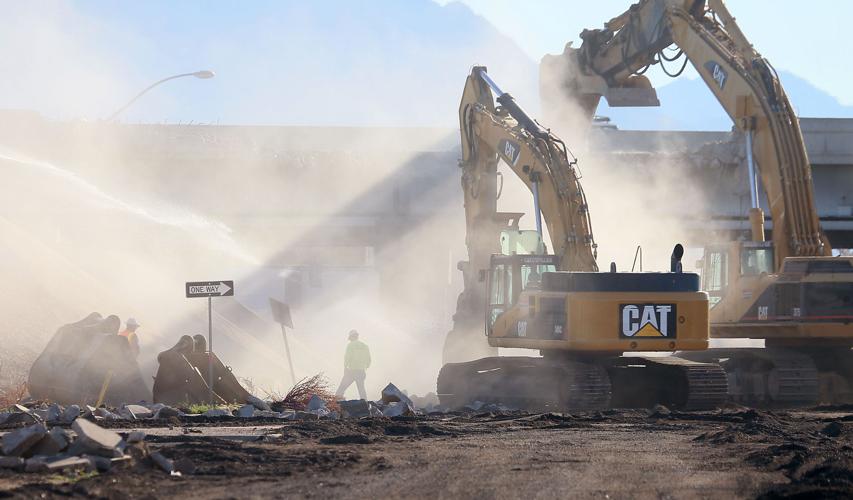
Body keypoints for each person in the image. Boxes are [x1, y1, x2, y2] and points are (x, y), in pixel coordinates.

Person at [335, 329, 371, 400]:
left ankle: (336, 404)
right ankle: (365, 405)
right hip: (361, 371)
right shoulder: (365, 346)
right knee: (361, 390)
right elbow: (369, 360)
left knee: (341, 389)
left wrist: (345, 368)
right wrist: (364, 367)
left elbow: (347, 357)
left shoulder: (350, 345)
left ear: (351, 337)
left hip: (351, 371)